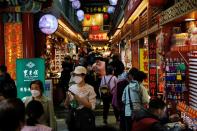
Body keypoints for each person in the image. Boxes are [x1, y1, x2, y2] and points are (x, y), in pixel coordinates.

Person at [64, 66, 96, 131]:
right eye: (75, 75)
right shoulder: (71, 87)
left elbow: (92, 106)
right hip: (73, 117)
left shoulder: (90, 88)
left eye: (78, 75)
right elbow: (66, 105)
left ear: (84, 76)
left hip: (86, 118)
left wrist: (79, 99)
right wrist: (67, 98)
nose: (76, 76)